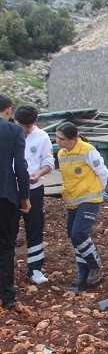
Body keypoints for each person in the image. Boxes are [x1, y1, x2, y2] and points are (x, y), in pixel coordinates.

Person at [54, 122, 107, 293]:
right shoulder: (61, 154)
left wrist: (100, 190)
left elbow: (102, 171)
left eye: (61, 139)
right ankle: (82, 275)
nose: (58, 141)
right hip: (72, 201)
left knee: (79, 234)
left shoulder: (87, 150)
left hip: (90, 198)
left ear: (72, 139)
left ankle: (94, 266)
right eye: (56, 137)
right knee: (73, 236)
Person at [13, 105, 54, 284]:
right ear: (14, 120)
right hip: (11, 189)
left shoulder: (42, 137)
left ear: (35, 123)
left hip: (34, 189)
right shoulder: (8, 133)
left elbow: (48, 161)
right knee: (8, 229)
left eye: (28, 127)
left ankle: (35, 269)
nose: (24, 130)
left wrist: (38, 174)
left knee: (35, 227)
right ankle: (6, 269)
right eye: (21, 125)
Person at [0, 94, 31, 310]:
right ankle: (7, 296)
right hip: (6, 195)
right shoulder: (13, 131)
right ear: (9, 110)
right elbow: (20, 166)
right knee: (6, 245)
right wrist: (25, 196)